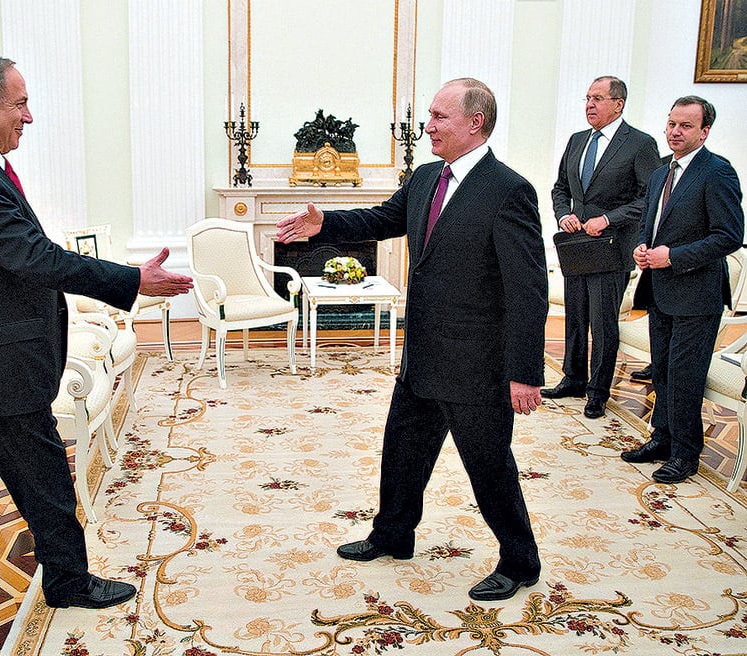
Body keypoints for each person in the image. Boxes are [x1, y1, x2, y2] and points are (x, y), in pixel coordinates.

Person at [0, 54, 194, 611]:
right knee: (46, 481)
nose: (28, 116)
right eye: (20, 104)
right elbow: (33, 258)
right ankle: (68, 583)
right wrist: (130, 279)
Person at [277, 78, 547, 602]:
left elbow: (528, 289)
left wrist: (524, 372)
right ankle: (392, 535)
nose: (428, 126)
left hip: (477, 365)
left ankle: (520, 561)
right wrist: (322, 223)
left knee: (489, 466)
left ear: (475, 122)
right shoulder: (426, 176)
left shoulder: (509, 190)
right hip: (422, 354)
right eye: (428, 115)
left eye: (440, 117)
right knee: (401, 451)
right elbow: (382, 218)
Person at [621, 95, 743, 483]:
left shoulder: (717, 172)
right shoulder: (660, 172)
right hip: (659, 290)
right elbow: (651, 223)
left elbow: (729, 236)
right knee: (663, 373)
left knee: (685, 377)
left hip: (697, 294)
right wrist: (643, 247)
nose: (675, 131)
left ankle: (686, 454)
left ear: (704, 132)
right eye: (671, 123)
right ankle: (662, 438)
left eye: (685, 126)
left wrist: (673, 256)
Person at [542, 76, 661, 419]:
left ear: (618, 103)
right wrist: (564, 214)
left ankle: (598, 391)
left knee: (603, 323)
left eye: (597, 98)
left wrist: (608, 219)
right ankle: (573, 378)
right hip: (577, 244)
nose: (589, 105)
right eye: (586, 98)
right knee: (575, 318)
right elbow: (560, 187)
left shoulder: (639, 144)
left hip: (611, 249)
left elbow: (648, 198)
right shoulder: (578, 140)